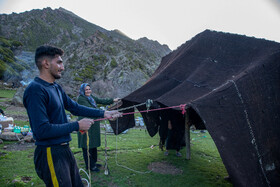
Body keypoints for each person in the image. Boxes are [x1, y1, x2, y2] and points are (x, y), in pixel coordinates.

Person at [23, 45, 122, 187]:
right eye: (59, 62)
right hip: (50, 152)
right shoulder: (35, 90)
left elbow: (74, 107)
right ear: (46, 63)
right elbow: (41, 130)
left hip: (64, 149)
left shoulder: (55, 87)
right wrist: (77, 125)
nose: (62, 67)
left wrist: (104, 113)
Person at [77, 83, 120, 172]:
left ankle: (93, 163)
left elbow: (101, 100)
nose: (88, 91)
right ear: (82, 91)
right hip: (85, 124)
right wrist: (105, 112)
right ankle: (90, 166)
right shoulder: (81, 99)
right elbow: (89, 109)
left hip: (94, 124)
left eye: (89, 89)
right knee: (87, 145)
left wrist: (113, 100)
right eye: (86, 90)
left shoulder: (91, 97)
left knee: (93, 144)